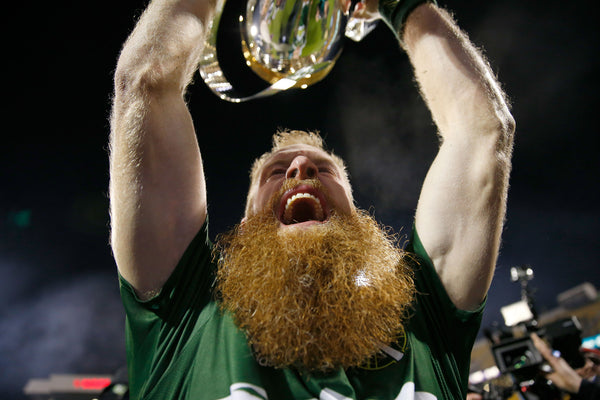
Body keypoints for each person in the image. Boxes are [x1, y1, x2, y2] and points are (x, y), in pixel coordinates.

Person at [109, 0, 515, 398]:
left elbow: (483, 131)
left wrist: (399, 5)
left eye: (324, 170)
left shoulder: (422, 314)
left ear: (356, 216)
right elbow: (148, 80)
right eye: (275, 171)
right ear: (246, 222)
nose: (301, 166)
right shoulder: (184, 317)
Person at [532, 334, 600, 400]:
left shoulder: (592, 390)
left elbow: (570, 380)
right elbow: (558, 377)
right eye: (584, 360)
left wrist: (534, 337)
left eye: (595, 362)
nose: (590, 364)